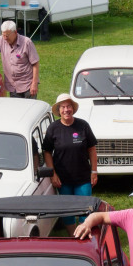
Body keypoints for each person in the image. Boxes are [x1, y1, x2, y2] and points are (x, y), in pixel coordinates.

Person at [43, 93, 98, 233]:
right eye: (63, 107)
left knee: (85, 209)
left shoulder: (83, 125)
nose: (66, 110)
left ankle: (83, 236)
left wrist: (94, 171)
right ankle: (73, 237)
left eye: (68, 106)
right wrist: (52, 174)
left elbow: (92, 149)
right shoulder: (53, 128)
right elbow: (47, 152)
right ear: (59, 110)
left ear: (73, 108)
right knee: (67, 212)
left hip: (83, 178)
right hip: (62, 179)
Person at [0, 20, 39, 98]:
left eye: (7, 36)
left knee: (30, 106)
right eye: (3, 35)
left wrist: (34, 83)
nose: (5, 38)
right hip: (12, 87)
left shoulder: (27, 42)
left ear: (15, 32)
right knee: (15, 106)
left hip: (27, 85)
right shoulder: (1, 40)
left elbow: (35, 63)